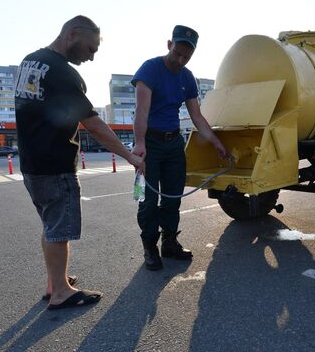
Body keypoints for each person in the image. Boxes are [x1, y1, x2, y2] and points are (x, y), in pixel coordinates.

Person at [15, 16, 145, 309]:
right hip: (55, 166)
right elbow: (95, 126)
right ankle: (61, 292)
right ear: (72, 35)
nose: (91, 56)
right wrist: (130, 157)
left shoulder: (30, 62)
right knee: (59, 230)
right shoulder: (63, 74)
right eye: (90, 48)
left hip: (32, 165)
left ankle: (54, 282)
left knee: (50, 227)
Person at [131, 25, 227, 271]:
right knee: (147, 200)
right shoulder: (149, 69)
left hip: (174, 144)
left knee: (172, 197)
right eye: (178, 53)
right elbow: (141, 111)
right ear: (168, 44)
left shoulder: (187, 77)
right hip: (149, 142)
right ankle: (150, 246)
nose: (180, 60)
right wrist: (139, 143)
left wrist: (216, 142)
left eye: (187, 56)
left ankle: (170, 243)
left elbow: (196, 116)